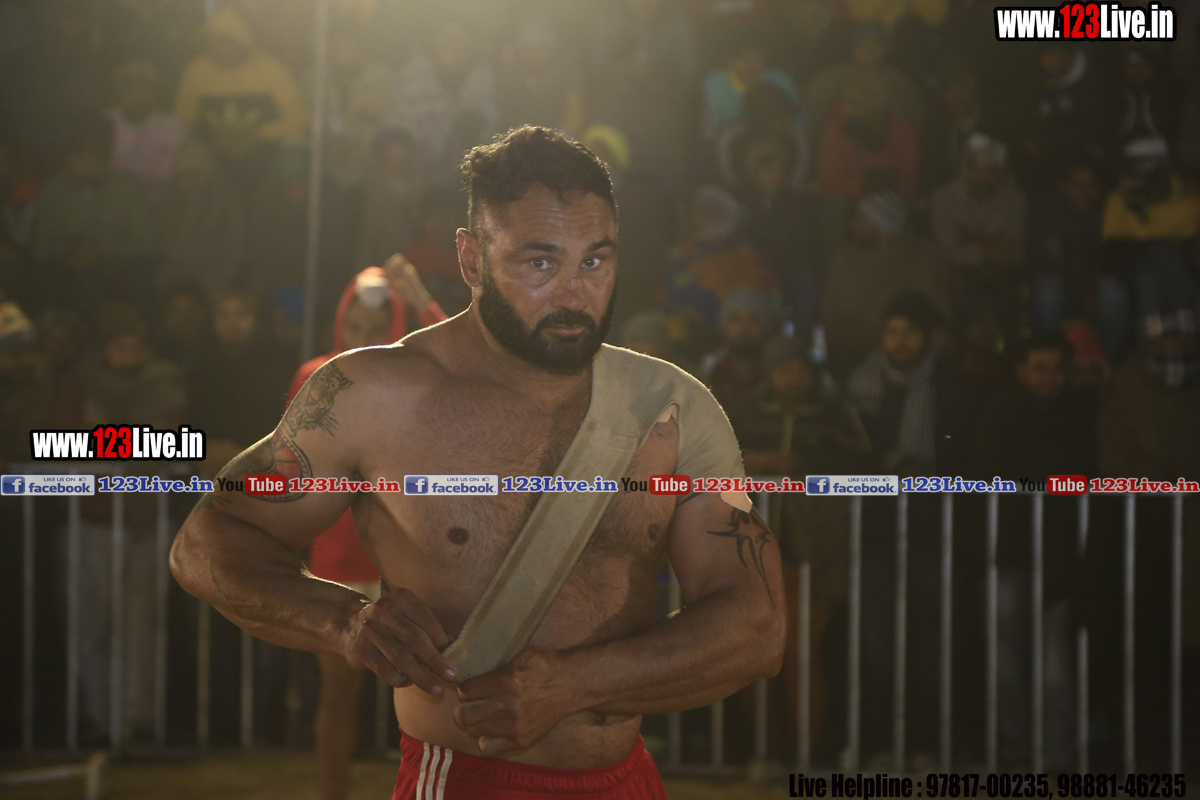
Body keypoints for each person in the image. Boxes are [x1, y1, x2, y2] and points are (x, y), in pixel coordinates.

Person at [169, 125, 785, 798]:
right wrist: (343, 620)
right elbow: (208, 538)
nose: (574, 294)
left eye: (595, 261)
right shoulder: (373, 395)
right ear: (471, 259)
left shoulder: (671, 407)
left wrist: (574, 685)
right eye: (540, 263)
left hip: (628, 781)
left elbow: (755, 626)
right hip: (463, 778)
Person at [291, 263, 445, 800]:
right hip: (339, 559)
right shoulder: (316, 376)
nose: (361, 339)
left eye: (375, 330)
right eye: (354, 328)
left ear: (394, 328)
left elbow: (468, 370)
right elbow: (294, 468)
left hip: (409, 559)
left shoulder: (413, 376)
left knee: (433, 695)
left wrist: (421, 300)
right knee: (339, 693)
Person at [32, 114, 159, 310]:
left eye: (95, 160)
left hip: (114, 277)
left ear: (107, 160)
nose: (88, 168)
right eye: (81, 159)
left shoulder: (129, 189)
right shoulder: (54, 189)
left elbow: (150, 243)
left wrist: (102, 250)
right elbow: (40, 245)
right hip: (63, 274)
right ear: (69, 158)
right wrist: (65, 249)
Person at [173, 3, 307, 183]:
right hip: (213, 154)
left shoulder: (271, 69)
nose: (219, 47)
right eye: (213, 40)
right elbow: (181, 122)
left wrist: (256, 136)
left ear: (243, 40)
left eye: (226, 40)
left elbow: (299, 121)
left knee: (294, 160)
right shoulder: (196, 70)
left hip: (266, 152)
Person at [820, 191, 949, 373]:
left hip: (912, 360)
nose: (854, 224)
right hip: (854, 359)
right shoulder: (844, 261)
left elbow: (938, 315)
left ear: (884, 225)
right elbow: (832, 317)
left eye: (862, 219)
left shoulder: (923, 259)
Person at [108, 60, 188, 202]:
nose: (138, 97)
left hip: (162, 202)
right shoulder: (106, 123)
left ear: (153, 93)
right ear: (120, 93)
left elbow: (180, 173)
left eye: (144, 90)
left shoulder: (173, 126)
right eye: (131, 90)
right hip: (116, 202)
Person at [699, 287, 773, 409]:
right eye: (735, 319)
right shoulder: (709, 367)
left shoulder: (776, 370)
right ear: (725, 325)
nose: (744, 327)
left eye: (752, 319)